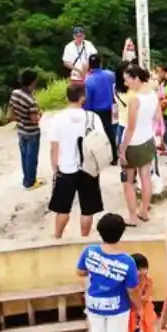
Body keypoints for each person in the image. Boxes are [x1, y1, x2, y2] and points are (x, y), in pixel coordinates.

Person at [77, 213, 139, 332]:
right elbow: (132, 289)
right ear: (122, 233)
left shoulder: (89, 251)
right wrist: (139, 306)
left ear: (99, 231)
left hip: (93, 304)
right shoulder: (127, 261)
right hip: (118, 307)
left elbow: (80, 271)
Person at [48, 81, 106, 239]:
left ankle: (57, 237)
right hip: (89, 167)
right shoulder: (92, 117)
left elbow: (54, 147)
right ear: (82, 98)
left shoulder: (57, 119)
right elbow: (101, 141)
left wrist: (55, 167)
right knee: (87, 209)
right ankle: (84, 238)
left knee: (63, 209)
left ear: (67, 97)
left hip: (65, 167)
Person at [118, 64, 157, 225]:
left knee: (128, 181)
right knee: (145, 177)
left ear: (136, 79)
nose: (125, 83)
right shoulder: (153, 94)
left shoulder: (135, 100)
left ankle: (132, 217)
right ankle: (144, 211)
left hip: (134, 143)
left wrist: (122, 149)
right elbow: (156, 118)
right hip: (148, 139)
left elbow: (131, 127)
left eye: (127, 80)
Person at [10, 69, 44, 190]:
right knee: (32, 158)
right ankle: (31, 182)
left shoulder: (15, 93)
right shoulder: (31, 100)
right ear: (33, 82)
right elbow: (35, 120)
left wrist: (20, 119)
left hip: (21, 130)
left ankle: (26, 179)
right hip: (32, 132)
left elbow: (11, 114)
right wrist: (40, 114)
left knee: (24, 157)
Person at [84, 54, 118, 161]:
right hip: (110, 108)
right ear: (100, 63)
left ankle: (99, 157)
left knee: (96, 134)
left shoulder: (89, 81)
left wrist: (87, 112)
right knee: (110, 131)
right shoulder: (110, 75)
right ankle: (115, 156)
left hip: (96, 111)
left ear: (89, 65)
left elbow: (88, 99)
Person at [128, 252, 157, 332]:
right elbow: (129, 296)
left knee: (149, 329)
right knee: (132, 331)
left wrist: (138, 299)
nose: (141, 272)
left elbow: (146, 296)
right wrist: (136, 300)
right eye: (138, 269)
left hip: (146, 307)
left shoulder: (149, 281)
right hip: (132, 309)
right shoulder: (128, 282)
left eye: (144, 268)